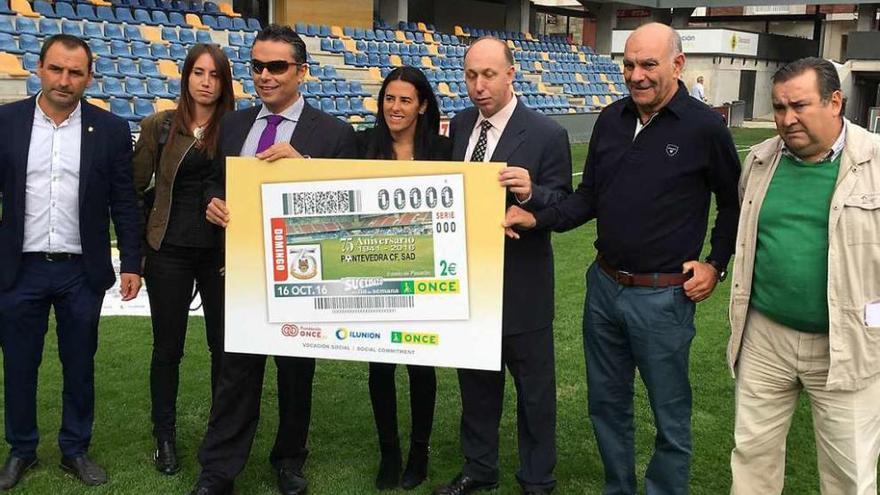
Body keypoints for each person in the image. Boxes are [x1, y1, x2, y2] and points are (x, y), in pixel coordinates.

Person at [504, 23, 740, 494]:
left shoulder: (704, 127)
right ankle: (620, 488)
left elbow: (735, 201)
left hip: (664, 297)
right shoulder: (610, 119)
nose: (636, 75)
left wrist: (716, 262)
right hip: (604, 290)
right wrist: (537, 217)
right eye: (629, 64)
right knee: (606, 407)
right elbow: (588, 197)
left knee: (669, 413)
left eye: (648, 64)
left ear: (677, 65)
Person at [190, 24, 357, 495]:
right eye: (257, 66)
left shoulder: (335, 134)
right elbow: (212, 181)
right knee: (233, 373)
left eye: (277, 66)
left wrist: (304, 168)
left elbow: (347, 211)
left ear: (301, 72)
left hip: (301, 276)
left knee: (295, 373)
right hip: (239, 272)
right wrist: (213, 201)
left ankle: (289, 460)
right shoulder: (235, 125)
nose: (265, 75)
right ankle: (218, 471)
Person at [728, 57, 880, 494]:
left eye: (798, 105)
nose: (787, 118)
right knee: (752, 458)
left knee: (848, 474)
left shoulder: (874, 159)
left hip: (848, 343)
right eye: (778, 107)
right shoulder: (758, 161)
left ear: (835, 102)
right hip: (764, 338)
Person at [0, 34, 141, 489]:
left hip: (82, 270)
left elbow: (125, 202)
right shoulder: (6, 122)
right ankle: (21, 450)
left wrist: (133, 263)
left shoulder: (112, 130)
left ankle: (74, 449)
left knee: (80, 364)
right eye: (57, 69)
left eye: (75, 72)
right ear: (38, 69)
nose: (65, 80)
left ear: (89, 77)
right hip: (19, 269)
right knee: (19, 364)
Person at [433, 37, 572, 495]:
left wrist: (532, 197)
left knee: (534, 395)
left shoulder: (547, 133)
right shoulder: (458, 126)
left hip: (522, 287)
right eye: (471, 75)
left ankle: (537, 478)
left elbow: (566, 203)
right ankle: (479, 469)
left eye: (488, 75)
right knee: (476, 389)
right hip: (469, 285)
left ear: (511, 74)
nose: (478, 86)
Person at [132, 43, 234, 476]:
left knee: (223, 351)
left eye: (214, 75)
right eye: (199, 73)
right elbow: (135, 191)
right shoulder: (159, 126)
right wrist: (135, 258)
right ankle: (165, 436)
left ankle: (221, 434)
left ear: (225, 82)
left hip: (220, 254)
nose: (206, 82)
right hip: (168, 251)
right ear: (187, 77)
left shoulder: (236, 127)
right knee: (167, 349)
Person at [356, 65, 451, 491]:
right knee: (380, 367)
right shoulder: (363, 147)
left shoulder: (444, 151)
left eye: (405, 100)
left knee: (420, 367)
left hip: (425, 275)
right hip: (374, 273)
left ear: (422, 105)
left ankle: (419, 451)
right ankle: (388, 452)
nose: (395, 107)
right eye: (389, 99)